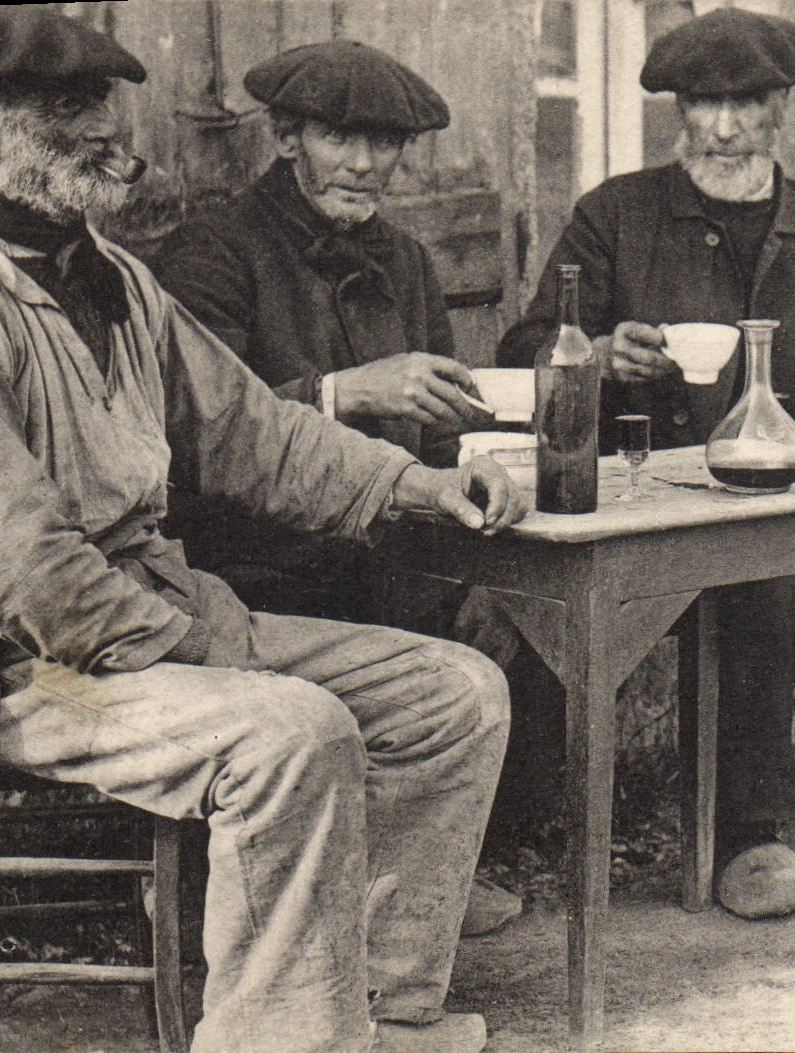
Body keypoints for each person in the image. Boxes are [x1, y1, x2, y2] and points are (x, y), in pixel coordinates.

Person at [0, 8, 527, 1052]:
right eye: (66, 109)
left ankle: (385, 1013)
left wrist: (415, 485)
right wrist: (206, 648)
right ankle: (280, 1040)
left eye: (104, 100)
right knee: (291, 729)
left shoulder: (104, 276)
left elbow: (248, 432)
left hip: (155, 611)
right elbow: (27, 580)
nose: (110, 130)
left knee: (455, 694)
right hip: (12, 671)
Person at [497, 7, 795, 919]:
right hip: (664, 521)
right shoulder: (614, 218)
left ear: (780, 106)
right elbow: (529, 350)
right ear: (678, 109)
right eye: (701, 104)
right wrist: (597, 353)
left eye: (744, 103)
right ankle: (748, 837)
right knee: (763, 587)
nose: (721, 128)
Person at [153, 40, 522, 938]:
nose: (364, 164)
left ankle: (419, 865)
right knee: (359, 617)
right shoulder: (214, 251)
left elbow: (440, 428)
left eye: (385, 143)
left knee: (511, 607)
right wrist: (343, 390)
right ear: (286, 137)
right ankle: (323, 897)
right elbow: (190, 441)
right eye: (338, 138)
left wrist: (478, 461)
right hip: (251, 556)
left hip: (388, 543)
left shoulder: (406, 261)